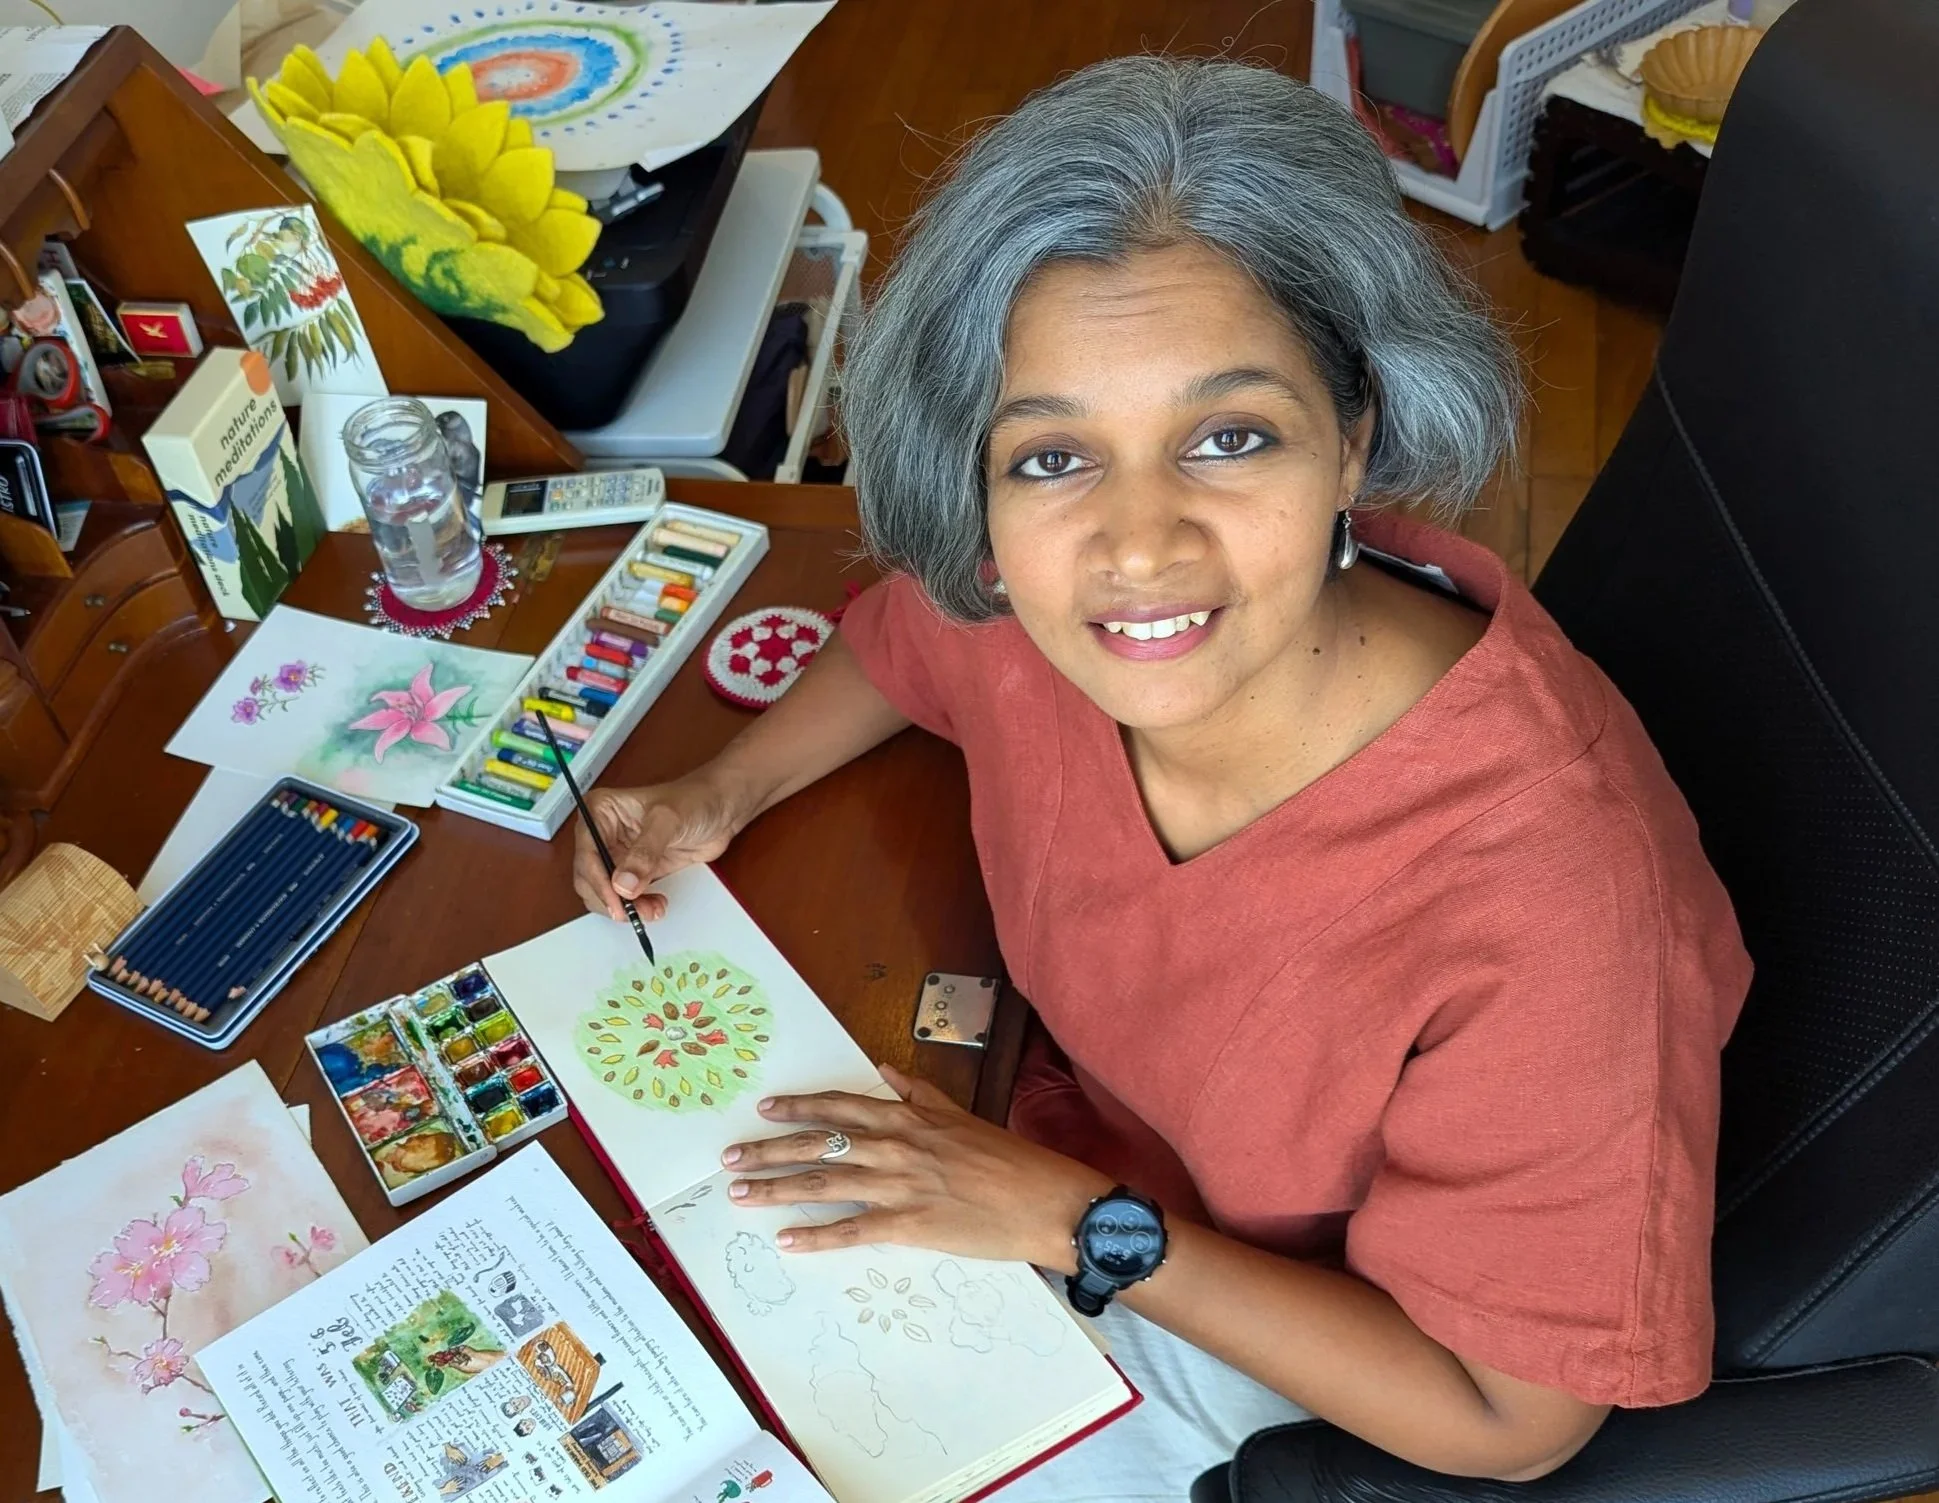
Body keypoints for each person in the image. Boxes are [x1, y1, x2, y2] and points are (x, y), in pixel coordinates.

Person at [571, 56, 1751, 1499]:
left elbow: (1506, 1417)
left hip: (1255, 1320)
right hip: (1023, 1148)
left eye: (1228, 436)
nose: (1137, 547)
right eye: (1054, 455)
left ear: (1353, 439)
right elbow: (906, 643)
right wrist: (718, 792)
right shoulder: (1028, 605)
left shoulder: (1557, 906)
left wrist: (1073, 1221)